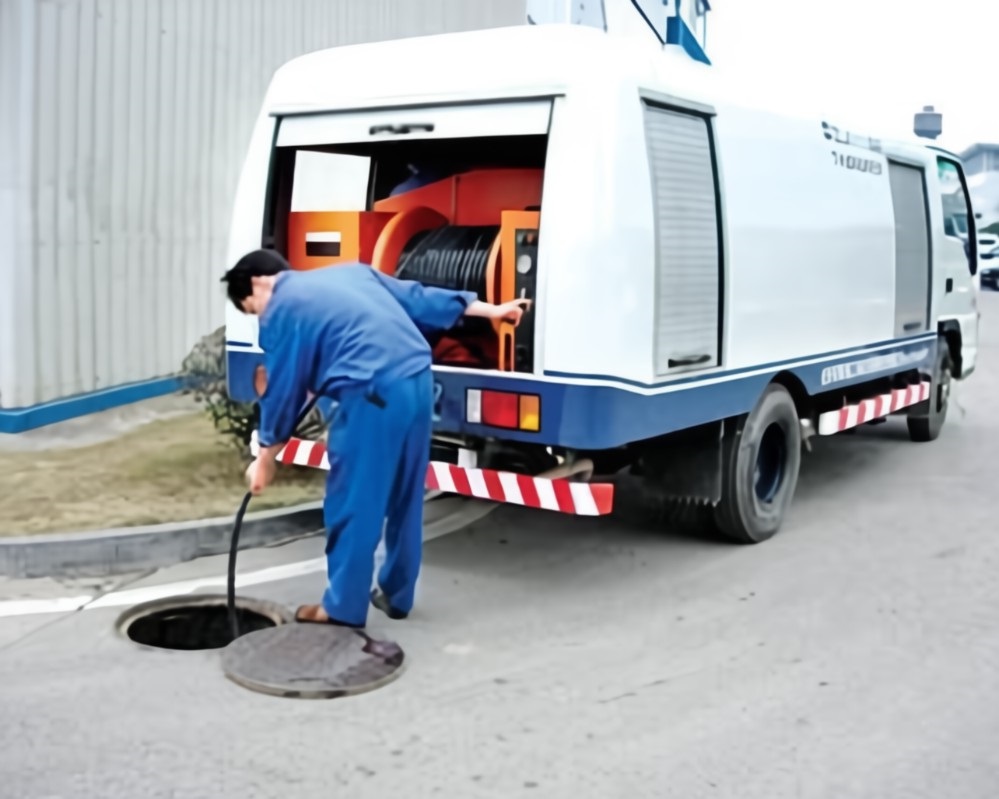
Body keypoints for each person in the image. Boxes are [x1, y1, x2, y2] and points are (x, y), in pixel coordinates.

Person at [221, 249, 529, 628]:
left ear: (257, 284)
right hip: (417, 381)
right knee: (405, 494)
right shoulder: (351, 274)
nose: (258, 317)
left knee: (354, 501)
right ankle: (397, 595)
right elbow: (417, 297)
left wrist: (265, 458)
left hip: (372, 396)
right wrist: (491, 310)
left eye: (251, 309)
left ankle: (341, 608)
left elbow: (282, 391)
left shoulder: (281, 309)